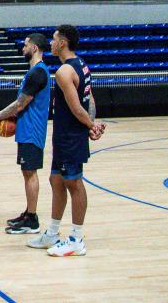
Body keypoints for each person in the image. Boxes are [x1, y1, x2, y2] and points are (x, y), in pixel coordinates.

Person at [28, 25, 106, 256]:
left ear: (62, 42)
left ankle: (76, 239)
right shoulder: (82, 64)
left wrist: (91, 125)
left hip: (70, 136)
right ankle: (52, 232)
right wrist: (92, 125)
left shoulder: (64, 71)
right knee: (56, 180)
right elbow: (90, 99)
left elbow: (77, 107)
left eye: (53, 40)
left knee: (74, 182)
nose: (50, 44)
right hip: (66, 134)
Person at [0, 33, 51, 235]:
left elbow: (20, 104)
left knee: (30, 172)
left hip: (33, 130)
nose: (23, 47)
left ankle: (32, 220)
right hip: (27, 129)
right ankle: (28, 212)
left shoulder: (38, 73)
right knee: (27, 172)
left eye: (26, 45)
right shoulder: (35, 71)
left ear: (34, 48)